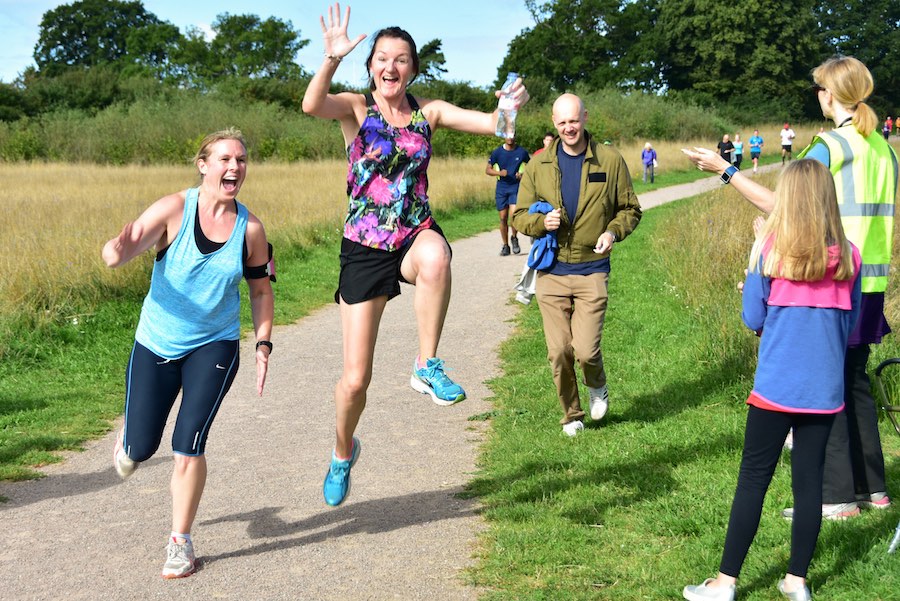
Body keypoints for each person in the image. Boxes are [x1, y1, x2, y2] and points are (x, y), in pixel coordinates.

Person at [300, 4, 529, 506]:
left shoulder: (431, 112)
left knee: (437, 256)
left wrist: (511, 106)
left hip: (412, 232)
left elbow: (497, 127)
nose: (391, 67)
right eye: (382, 58)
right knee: (355, 381)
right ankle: (343, 452)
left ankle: (427, 364)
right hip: (363, 248)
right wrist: (331, 59)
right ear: (371, 66)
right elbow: (311, 105)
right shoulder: (356, 108)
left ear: (413, 69)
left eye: (401, 59)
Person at [683, 55, 897, 523]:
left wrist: (725, 171)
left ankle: (836, 497)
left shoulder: (831, 144)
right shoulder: (883, 147)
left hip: (833, 273)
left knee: (828, 383)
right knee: (854, 381)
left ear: (831, 95)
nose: (817, 96)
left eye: (820, 89)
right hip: (872, 278)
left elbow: (787, 203)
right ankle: (873, 489)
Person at [683, 159, 861, 601]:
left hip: (775, 389)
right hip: (824, 392)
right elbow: (851, 326)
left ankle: (725, 583)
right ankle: (797, 582)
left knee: (753, 479)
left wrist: (755, 256)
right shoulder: (850, 257)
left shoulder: (769, 250)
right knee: (809, 483)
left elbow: (752, 317)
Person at [101, 128, 275, 579]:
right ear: (203, 165)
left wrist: (262, 342)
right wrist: (117, 252)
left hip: (213, 345)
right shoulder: (175, 209)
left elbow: (259, 290)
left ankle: (180, 541)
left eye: (241, 159)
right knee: (139, 450)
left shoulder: (249, 229)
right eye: (224, 159)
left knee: (189, 444)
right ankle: (130, 438)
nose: (234, 166)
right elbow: (127, 244)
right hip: (156, 340)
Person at [512, 93, 641, 437]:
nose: (569, 128)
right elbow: (519, 215)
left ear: (585, 117)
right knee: (559, 352)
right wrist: (541, 225)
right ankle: (572, 415)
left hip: (592, 269)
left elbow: (630, 209)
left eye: (574, 120)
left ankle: (597, 385)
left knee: (585, 350)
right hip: (551, 272)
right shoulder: (538, 164)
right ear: (553, 123)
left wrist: (613, 232)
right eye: (562, 122)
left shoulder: (610, 160)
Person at [486, 136, 529, 255]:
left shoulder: (522, 152)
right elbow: (488, 170)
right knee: (503, 218)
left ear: (516, 136)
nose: (510, 138)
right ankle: (505, 246)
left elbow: (531, 167)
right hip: (502, 188)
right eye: (508, 135)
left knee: (514, 215)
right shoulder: (497, 152)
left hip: (515, 187)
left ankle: (514, 238)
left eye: (513, 135)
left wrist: (522, 174)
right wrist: (499, 173)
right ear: (504, 136)